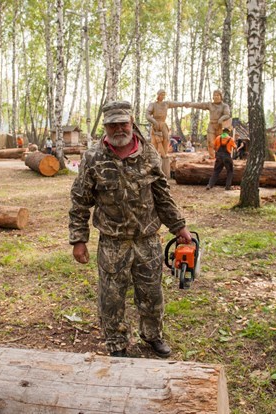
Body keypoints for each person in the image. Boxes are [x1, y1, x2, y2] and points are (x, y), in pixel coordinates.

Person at [69, 100, 193, 359]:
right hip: (112, 242)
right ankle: (116, 343)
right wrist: (79, 240)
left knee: (151, 292)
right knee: (111, 297)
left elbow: (162, 195)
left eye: (122, 123)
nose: (118, 129)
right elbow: (80, 201)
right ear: (105, 127)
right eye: (111, 125)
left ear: (132, 123)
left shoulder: (149, 154)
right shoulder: (93, 158)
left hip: (147, 239)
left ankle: (152, 336)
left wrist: (179, 226)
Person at [146, 89, 185, 177]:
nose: (163, 96)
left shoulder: (166, 104)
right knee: (155, 142)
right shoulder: (153, 105)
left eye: (164, 94)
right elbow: (147, 115)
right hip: (155, 124)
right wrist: (153, 121)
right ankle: (154, 157)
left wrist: (184, 104)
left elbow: (176, 104)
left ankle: (165, 154)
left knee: (166, 139)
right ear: (158, 95)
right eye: (161, 94)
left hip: (163, 124)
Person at [184, 90, 231, 159]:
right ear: (213, 97)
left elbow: (227, 115)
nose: (216, 97)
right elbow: (200, 105)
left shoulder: (224, 106)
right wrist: (190, 104)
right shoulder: (210, 105)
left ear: (221, 97)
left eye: (218, 95)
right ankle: (212, 157)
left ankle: (220, 157)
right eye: (215, 95)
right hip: (212, 125)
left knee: (221, 142)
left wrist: (221, 119)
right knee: (210, 142)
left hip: (220, 126)